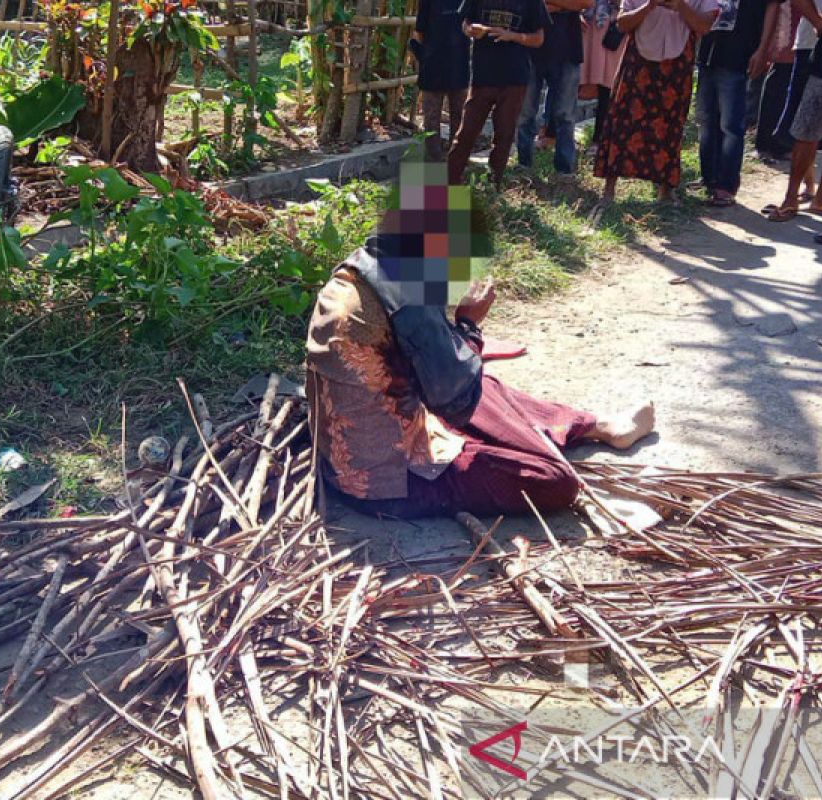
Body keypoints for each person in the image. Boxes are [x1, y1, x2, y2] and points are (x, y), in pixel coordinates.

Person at [305, 246, 656, 518]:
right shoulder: (405, 296)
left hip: (377, 435)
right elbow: (455, 395)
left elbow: (438, 370)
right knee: (555, 482)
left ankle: (593, 425)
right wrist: (470, 324)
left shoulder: (364, 270)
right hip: (386, 482)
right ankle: (561, 435)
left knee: (490, 386)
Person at [594, 0, 719, 203]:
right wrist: (650, 5)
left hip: (677, 63)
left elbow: (705, 25)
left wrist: (680, 5)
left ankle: (666, 189)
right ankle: (609, 189)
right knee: (622, 120)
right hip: (638, 60)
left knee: (670, 125)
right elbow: (622, 23)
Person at [447, 0, 552, 185]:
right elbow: (465, 22)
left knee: (504, 135)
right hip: (483, 74)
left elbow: (539, 39)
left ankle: (493, 185)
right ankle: (449, 184)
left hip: (514, 77)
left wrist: (511, 35)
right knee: (465, 134)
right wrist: (471, 30)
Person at [696, 0, 782, 208]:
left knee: (731, 125)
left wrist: (763, 49)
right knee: (706, 120)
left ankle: (726, 186)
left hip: (739, 53)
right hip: (708, 52)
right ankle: (709, 179)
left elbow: (773, 6)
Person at [517, 0, 594, 177]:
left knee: (565, 114)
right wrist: (567, 5)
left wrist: (543, 6)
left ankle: (564, 170)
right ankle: (523, 165)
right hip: (531, 48)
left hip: (568, 47)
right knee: (525, 113)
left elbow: (587, 3)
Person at [764, 5, 822, 220]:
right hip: (814, 48)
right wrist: (818, 21)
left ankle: (820, 200)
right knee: (805, 126)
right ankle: (792, 198)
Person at [412, 0, 471, 162]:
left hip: (458, 63)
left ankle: (457, 161)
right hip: (434, 64)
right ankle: (434, 161)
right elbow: (419, 31)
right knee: (431, 118)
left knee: (459, 116)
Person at [754, 3, 800, 160]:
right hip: (786, 26)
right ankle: (766, 143)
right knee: (777, 85)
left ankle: (781, 143)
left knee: (789, 88)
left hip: (802, 28)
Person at [581, 0, 627, 146]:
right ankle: (552, 134)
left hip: (614, 30)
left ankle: (601, 139)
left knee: (608, 90)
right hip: (592, 26)